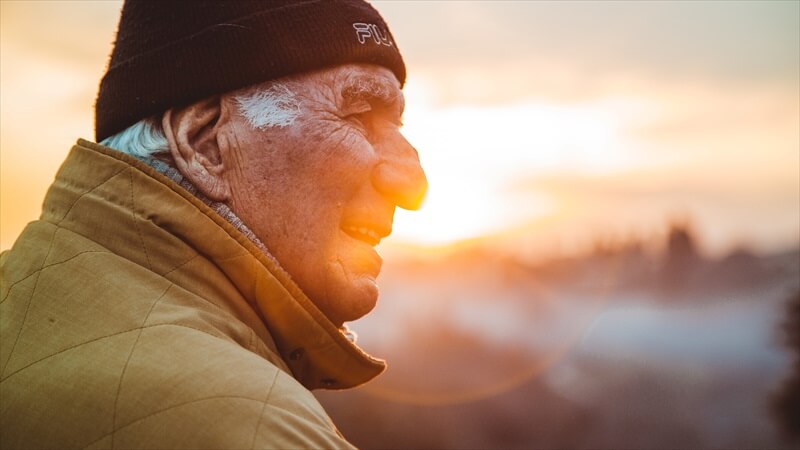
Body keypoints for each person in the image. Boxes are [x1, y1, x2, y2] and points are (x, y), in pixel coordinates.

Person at [0, 1, 426, 448]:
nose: (413, 183)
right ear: (205, 146)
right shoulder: (260, 430)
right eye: (357, 116)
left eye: (397, 124)